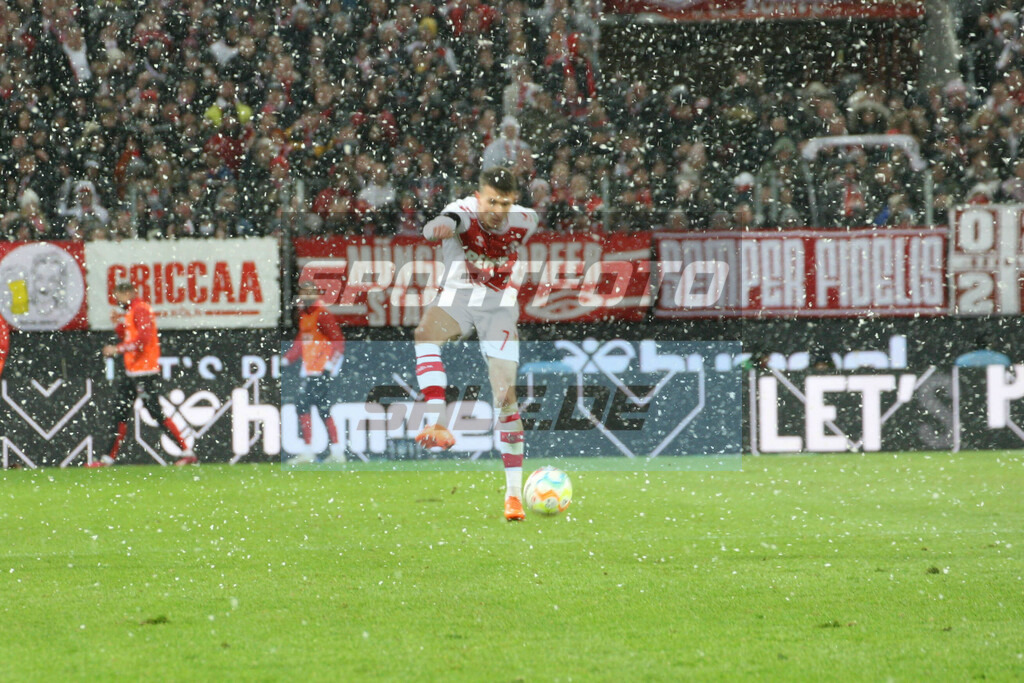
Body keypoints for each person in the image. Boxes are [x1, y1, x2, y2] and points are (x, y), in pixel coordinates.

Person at [412, 167, 539, 521]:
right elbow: (446, 220)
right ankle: (437, 422)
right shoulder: (464, 213)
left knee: (505, 397)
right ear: (478, 195)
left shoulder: (525, 220)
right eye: (491, 200)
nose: (497, 209)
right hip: (459, 298)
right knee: (425, 334)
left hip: (498, 307)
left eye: (505, 202)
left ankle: (513, 497)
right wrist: (436, 227)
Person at [88, 282, 196, 467]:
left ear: (127, 293)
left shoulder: (140, 310)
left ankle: (187, 452)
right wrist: (118, 326)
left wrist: (117, 349)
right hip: (134, 371)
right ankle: (107, 458)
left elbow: (143, 340)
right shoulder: (133, 311)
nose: (117, 301)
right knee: (120, 413)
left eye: (118, 297)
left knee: (153, 412)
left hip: (144, 371)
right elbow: (131, 337)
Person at [282, 280, 347, 463]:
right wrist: (286, 359)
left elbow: (338, 342)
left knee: (303, 405)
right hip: (312, 370)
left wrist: (328, 368)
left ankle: (310, 451)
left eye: (310, 292)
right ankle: (336, 452)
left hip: (321, 371)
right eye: (303, 292)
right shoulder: (304, 314)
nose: (306, 296)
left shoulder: (322, 314)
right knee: (321, 409)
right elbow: (301, 342)